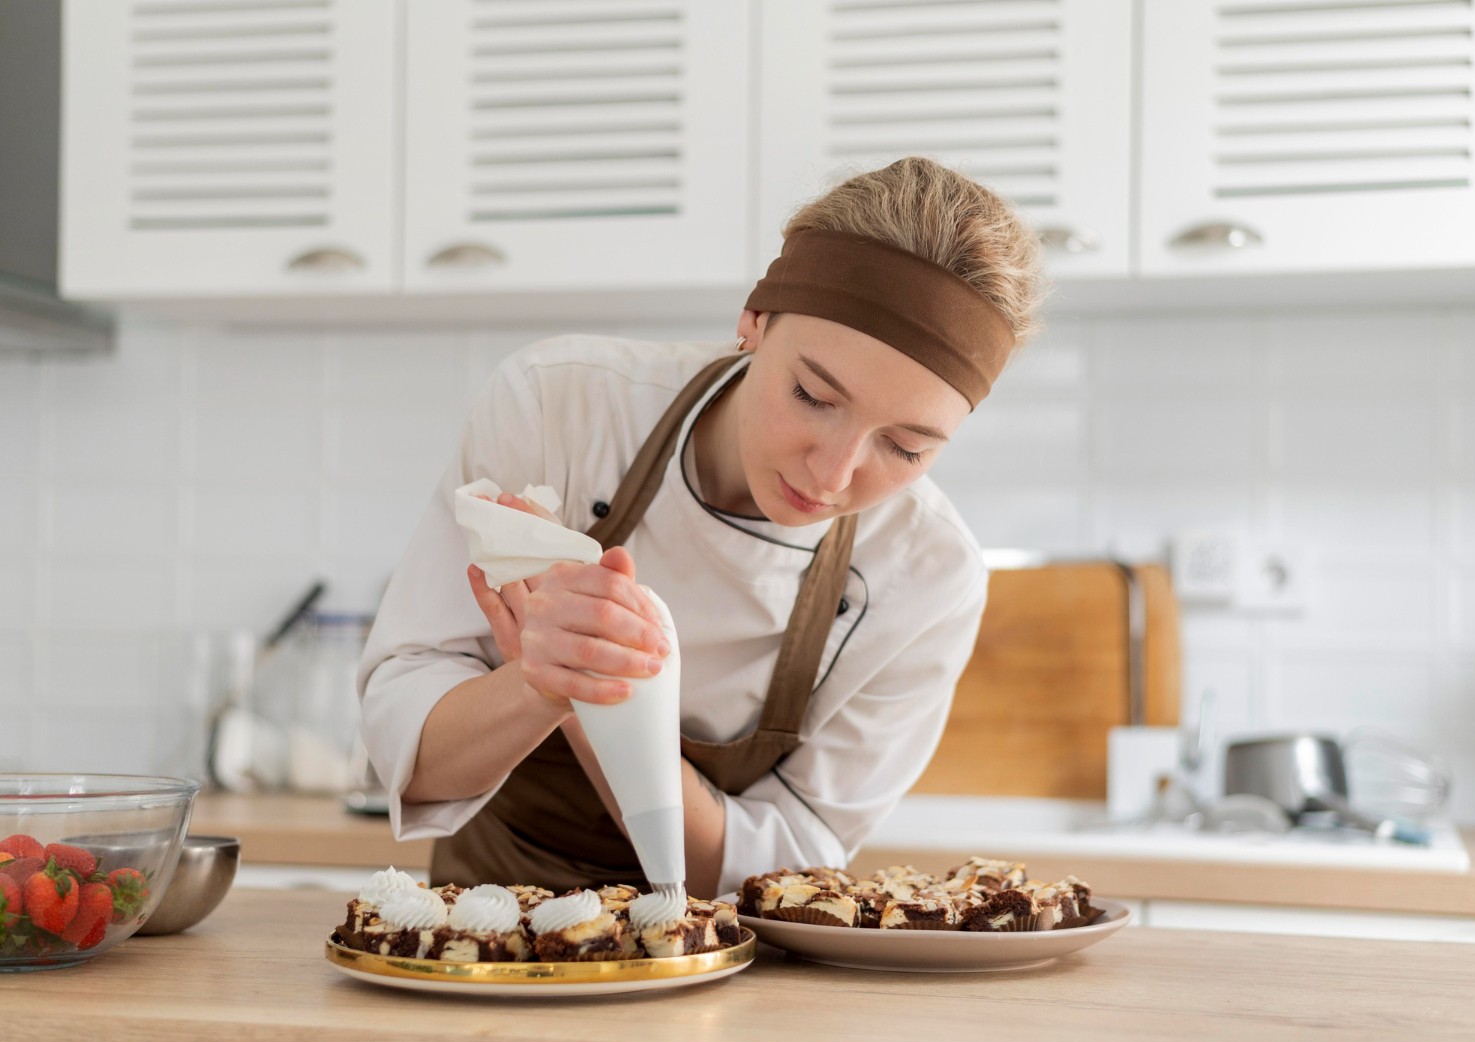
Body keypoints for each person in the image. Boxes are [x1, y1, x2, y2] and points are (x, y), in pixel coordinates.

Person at [356, 156, 1046, 899]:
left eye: (906, 446)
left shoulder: (929, 574)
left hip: (735, 978)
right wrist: (536, 686)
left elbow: (791, 875)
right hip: (482, 936)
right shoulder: (560, 408)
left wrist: (600, 699)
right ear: (754, 321)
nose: (834, 472)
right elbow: (404, 747)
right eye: (813, 395)